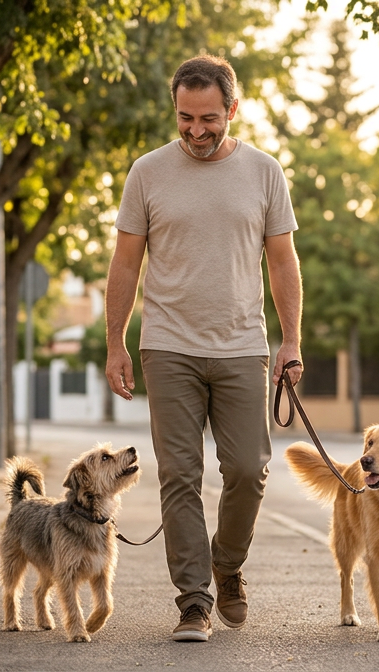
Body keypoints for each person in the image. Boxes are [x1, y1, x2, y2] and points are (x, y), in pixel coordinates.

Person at [104, 54, 304, 643]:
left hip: (244, 345)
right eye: (185, 118)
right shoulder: (147, 172)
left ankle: (228, 565)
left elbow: (283, 261)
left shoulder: (265, 172)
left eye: (208, 118)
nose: (195, 130)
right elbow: (125, 261)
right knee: (179, 476)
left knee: (248, 469)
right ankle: (194, 601)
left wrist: (291, 340)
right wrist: (115, 343)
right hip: (168, 346)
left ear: (232, 110)